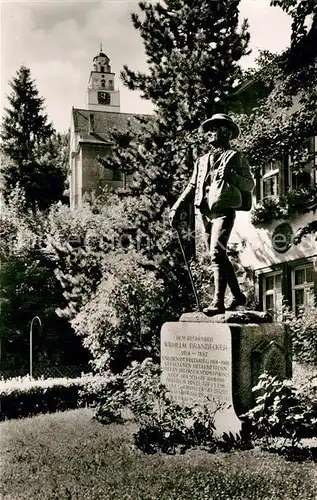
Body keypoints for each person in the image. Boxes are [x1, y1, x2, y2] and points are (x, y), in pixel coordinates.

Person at [169, 113, 254, 316]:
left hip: (224, 210)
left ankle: (218, 301)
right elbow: (192, 186)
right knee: (217, 254)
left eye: (215, 129)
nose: (210, 133)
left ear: (226, 132)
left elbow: (249, 184)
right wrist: (176, 207)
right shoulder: (202, 160)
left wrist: (231, 175)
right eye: (209, 129)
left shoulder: (235, 157)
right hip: (205, 212)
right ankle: (237, 295)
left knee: (216, 253)